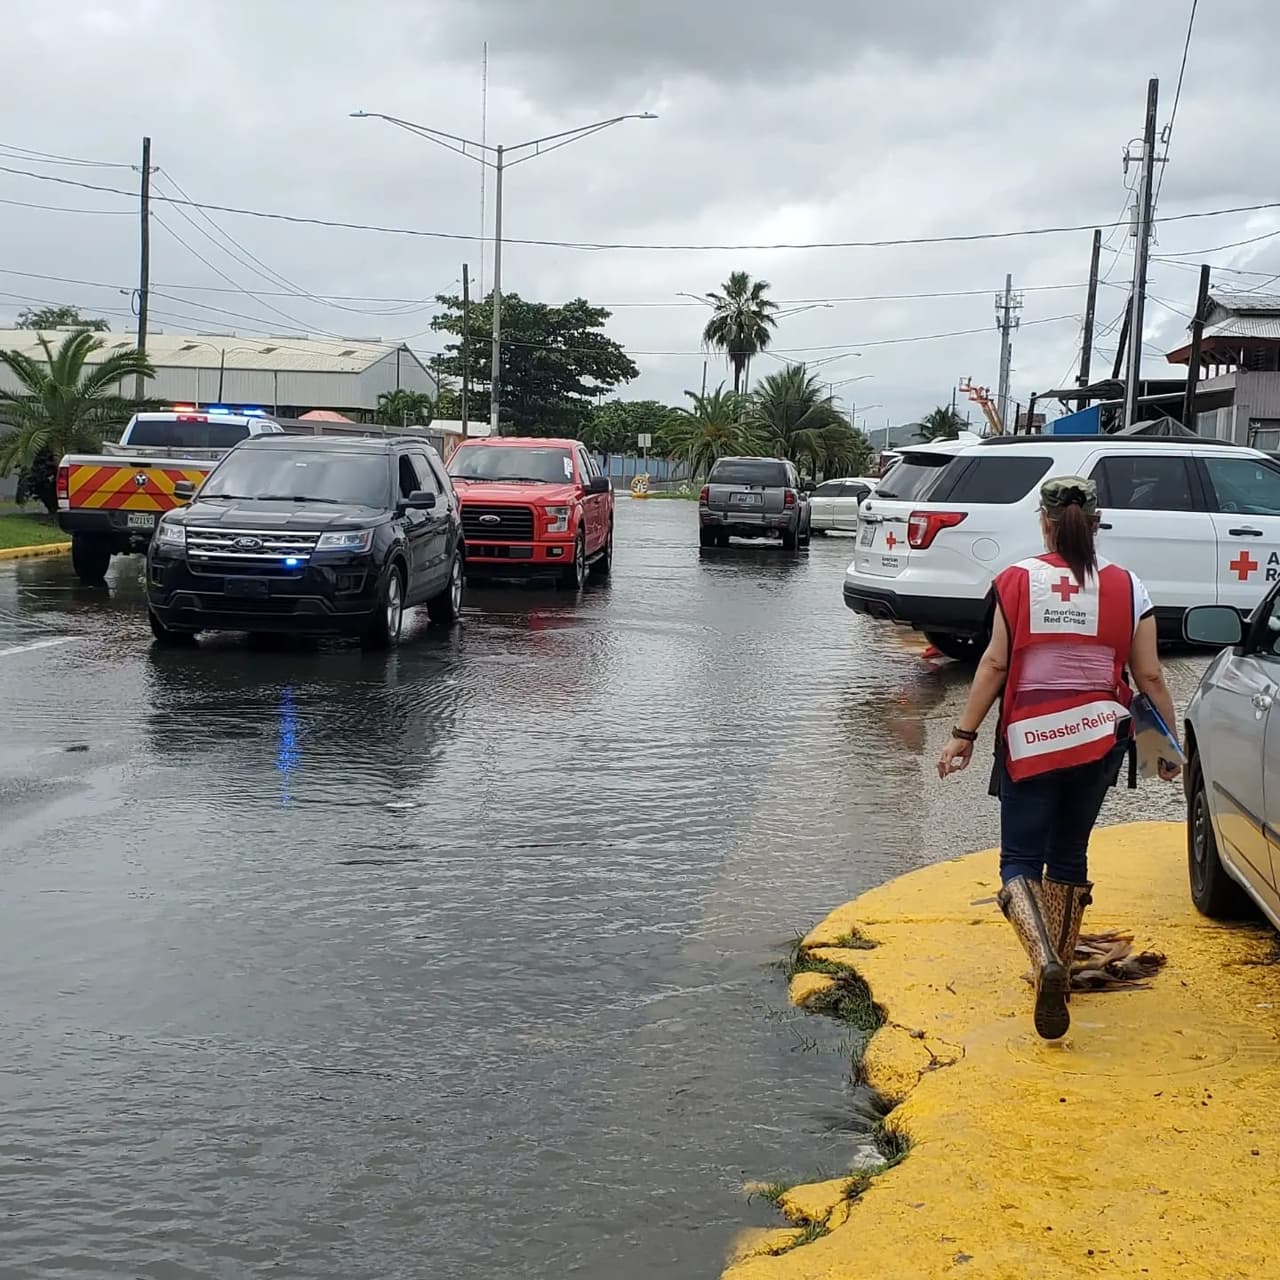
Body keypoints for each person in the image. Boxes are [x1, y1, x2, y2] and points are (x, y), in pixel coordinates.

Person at [937, 475, 1180, 1040]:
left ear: (1045, 523)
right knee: (1070, 852)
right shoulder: (1129, 585)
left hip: (1030, 736)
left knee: (1020, 856)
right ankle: (1061, 968)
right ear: (1095, 523)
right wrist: (1164, 751)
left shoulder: (1016, 580)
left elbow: (994, 666)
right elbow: (1147, 676)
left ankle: (1043, 956)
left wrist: (962, 734)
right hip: (1099, 735)